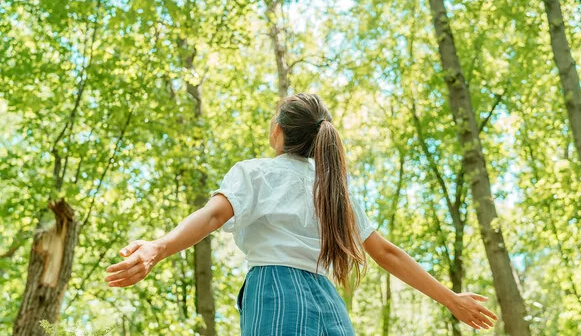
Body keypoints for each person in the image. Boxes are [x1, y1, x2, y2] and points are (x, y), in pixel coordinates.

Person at [105, 93, 498, 335]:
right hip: (328, 301)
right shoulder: (333, 189)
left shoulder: (256, 171)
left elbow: (210, 217)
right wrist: (450, 299)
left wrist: (158, 246)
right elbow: (387, 253)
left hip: (274, 291)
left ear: (278, 130)